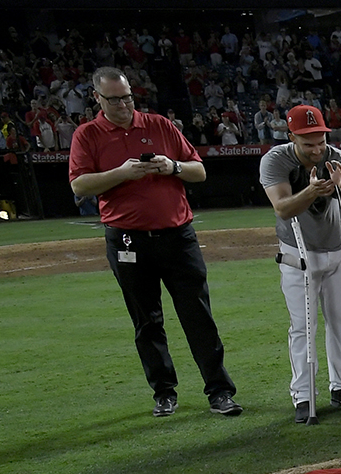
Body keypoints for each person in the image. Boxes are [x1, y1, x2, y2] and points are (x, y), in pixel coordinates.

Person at [68, 66, 240, 418]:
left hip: (177, 236)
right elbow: (79, 185)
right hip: (127, 240)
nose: (123, 105)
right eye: (114, 100)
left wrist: (172, 166)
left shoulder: (159, 124)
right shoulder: (87, 135)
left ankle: (220, 391)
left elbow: (199, 170)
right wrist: (122, 173)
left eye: (127, 97)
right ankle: (164, 392)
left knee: (198, 315)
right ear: (97, 98)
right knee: (147, 321)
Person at [261, 104, 341, 424]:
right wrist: (310, 191)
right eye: (308, 143)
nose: (317, 149)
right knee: (302, 327)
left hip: (337, 251)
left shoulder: (339, 158)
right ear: (291, 137)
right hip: (298, 254)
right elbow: (283, 208)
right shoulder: (276, 160)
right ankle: (304, 395)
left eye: (321, 141)